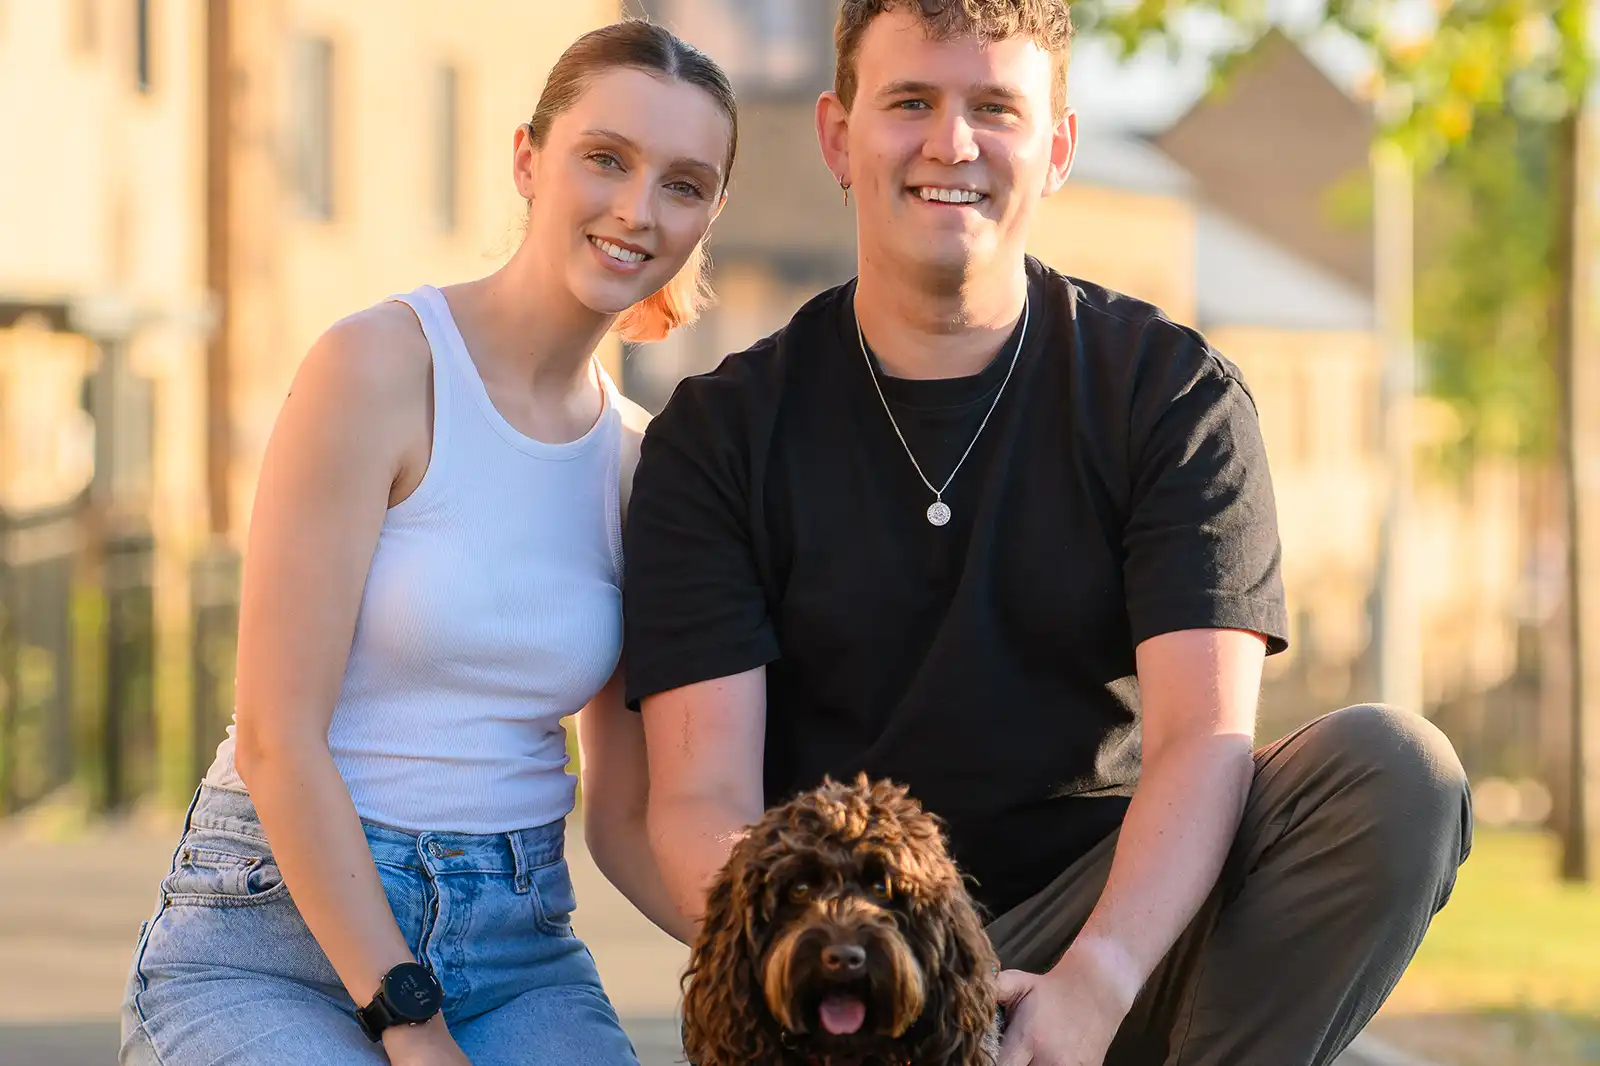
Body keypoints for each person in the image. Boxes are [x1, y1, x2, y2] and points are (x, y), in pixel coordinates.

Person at [621, 3, 1473, 1065]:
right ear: (837, 135)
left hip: (1119, 927)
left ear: (1058, 145)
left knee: (1394, 771)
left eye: (995, 107)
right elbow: (701, 798)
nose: (952, 143)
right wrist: (818, 961)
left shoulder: (1170, 395)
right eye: (911, 103)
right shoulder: (719, 435)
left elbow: (1199, 739)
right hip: (867, 949)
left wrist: (1096, 982)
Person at [119, 19, 732, 1066]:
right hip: (273, 938)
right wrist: (413, 1025)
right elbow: (276, 737)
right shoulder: (379, 369)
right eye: (605, 159)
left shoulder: (639, 466)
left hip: (515, 948)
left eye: (682, 183)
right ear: (527, 159)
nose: (637, 208)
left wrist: (812, 948)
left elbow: (625, 819)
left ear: (708, 214)